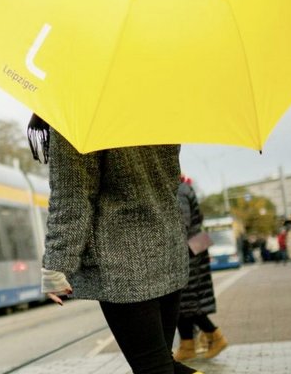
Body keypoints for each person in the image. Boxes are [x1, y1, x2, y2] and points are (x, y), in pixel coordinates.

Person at [29, 116, 199, 374]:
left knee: (155, 368)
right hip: (168, 251)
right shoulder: (156, 107)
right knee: (162, 363)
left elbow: (72, 197)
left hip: (123, 261)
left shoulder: (78, 117)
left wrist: (56, 264)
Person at [174, 176, 228, 361]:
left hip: (189, 249)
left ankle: (214, 336)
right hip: (192, 247)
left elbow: (181, 223)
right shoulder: (180, 187)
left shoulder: (178, 189)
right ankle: (187, 345)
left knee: (187, 302)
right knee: (185, 303)